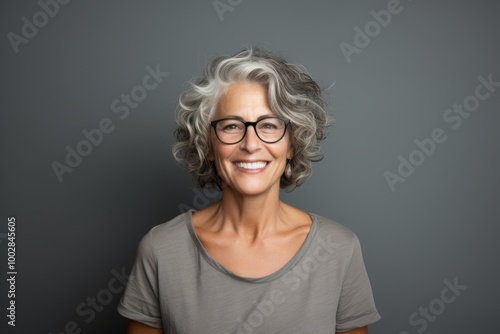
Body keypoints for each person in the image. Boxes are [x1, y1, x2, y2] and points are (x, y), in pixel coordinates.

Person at [118, 47, 381, 333]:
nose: (251, 144)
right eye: (232, 126)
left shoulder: (339, 249)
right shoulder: (161, 249)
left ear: (292, 144)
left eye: (269, 125)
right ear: (207, 144)